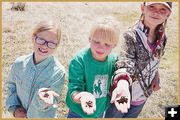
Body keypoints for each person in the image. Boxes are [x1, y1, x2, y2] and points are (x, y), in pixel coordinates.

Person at [105, 2, 172, 118]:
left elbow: (156, 59)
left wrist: (156, 76)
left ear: (168, 14)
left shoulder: (163, 37)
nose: (156, 12)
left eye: (163, 9)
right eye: (151, 6)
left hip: (141, 96)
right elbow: (125, 62)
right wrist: (122, 84)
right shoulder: (130, 36)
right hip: (122, 94)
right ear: (142, 7)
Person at [6, 21, 65, 118]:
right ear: (34, 38)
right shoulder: (19, 64)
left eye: (51, 43)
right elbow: (11, 87)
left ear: (56, 46)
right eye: (41, 40)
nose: (45, 45)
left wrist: (42, 100)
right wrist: (14, 109)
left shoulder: (58, 72)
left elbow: (52, 101)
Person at [65, 17, 120, 118]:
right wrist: (81, 96)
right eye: (97, 42)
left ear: (114, 45)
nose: (101, 47)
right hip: (78, 111)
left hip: (100, 109)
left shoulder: (114, 60)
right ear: (90, 38)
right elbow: (74, 88)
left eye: (107, 44)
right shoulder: (79, 60)